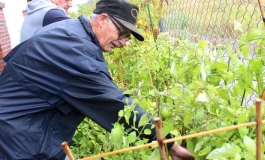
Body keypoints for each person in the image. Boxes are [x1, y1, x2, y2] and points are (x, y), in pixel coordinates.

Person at [0, 0, 195, 159]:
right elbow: (115, 104)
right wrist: (169, 143)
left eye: (127, 37)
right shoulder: (74, 51)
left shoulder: (71, 32)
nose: (123, 43)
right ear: (102, 20)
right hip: (17, 141)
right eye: (122, 34)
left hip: (22, 126)